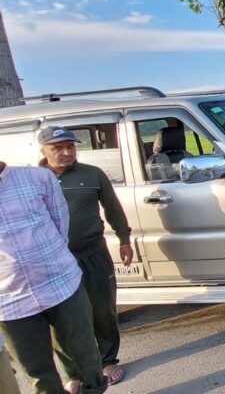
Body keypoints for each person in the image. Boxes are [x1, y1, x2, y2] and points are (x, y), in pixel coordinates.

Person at [38, 126, 133, 391]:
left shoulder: (92, 174)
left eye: (70, 146)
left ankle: (107, 360)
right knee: (61, 318)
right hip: (53, 260)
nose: (66, 153)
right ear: (43, 150)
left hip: (92, 253)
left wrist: (124, 239)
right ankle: (73, 372)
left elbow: (113, 208)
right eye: (57, 148)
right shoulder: (34, 178)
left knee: (102, 308)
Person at [0, 161, 107, 394]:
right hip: (10, 303)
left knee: (87, 355)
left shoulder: (37, 178)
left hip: (61, 284)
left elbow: (60, 225)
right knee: (39, 374)